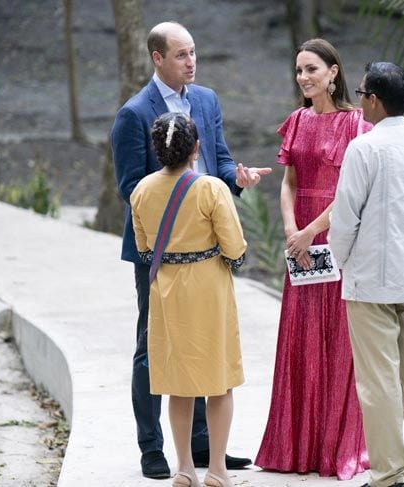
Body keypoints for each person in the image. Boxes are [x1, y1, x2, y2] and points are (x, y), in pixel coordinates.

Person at [111, 21, 269, 479]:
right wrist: (177, 213)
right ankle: (152, 448)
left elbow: (217, 163)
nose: (191, 61)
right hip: (157, 251)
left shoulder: (207, 101)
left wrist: (234, 181)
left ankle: (202, 449)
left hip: (207, 246)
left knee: (203, 344)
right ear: (157, 58)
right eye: (181, 55)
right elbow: (129, 187)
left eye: (194, 52)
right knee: (154, 346)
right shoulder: (134, 114)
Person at [328, 62, 404, 487]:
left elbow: (344, 221)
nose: (359, 100)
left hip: (370, 282)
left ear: (373, 100)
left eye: (361, 93)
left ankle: (387, 475)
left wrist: (344, 263)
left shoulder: (364, 148)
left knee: (378, 380)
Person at [255, 38, 370, 480]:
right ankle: (295, 447)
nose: (303, 77)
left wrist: (309, 231)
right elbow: (289, 182)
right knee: (301, 333)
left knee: (337, 335)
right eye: (299, 70)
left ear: (333, 72)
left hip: (333, 237)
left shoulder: (356, 124)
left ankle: (334, 448)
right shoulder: (298, 121)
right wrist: (290, 229)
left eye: (312, 69)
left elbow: (349, 192)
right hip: (299, 240)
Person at [131, 113, 246, 487]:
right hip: (209, 289)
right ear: (196, 148)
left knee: (178, 384)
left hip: (167, 293)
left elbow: (144, 246)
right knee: (219, 382)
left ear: (156, 149)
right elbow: (235, 246)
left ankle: (183, 468)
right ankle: (216, 469)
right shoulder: (212, 189)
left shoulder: (142, 191)